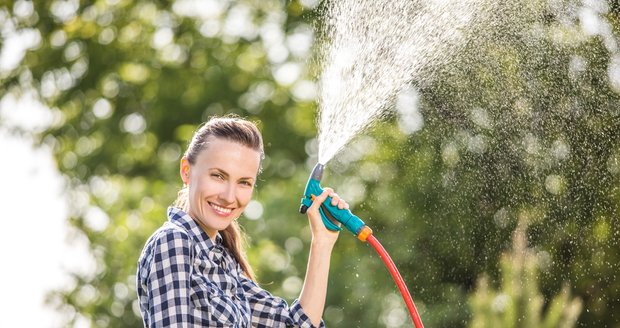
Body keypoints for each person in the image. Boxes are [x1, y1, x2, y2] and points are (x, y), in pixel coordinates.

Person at [136, 115, 348, 327]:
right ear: (186, 171)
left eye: (244, 182)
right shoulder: (173, 241)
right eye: (218, 176)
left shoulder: (225, 263)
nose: (229, 196)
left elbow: (295, 325)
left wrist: (322, 242)